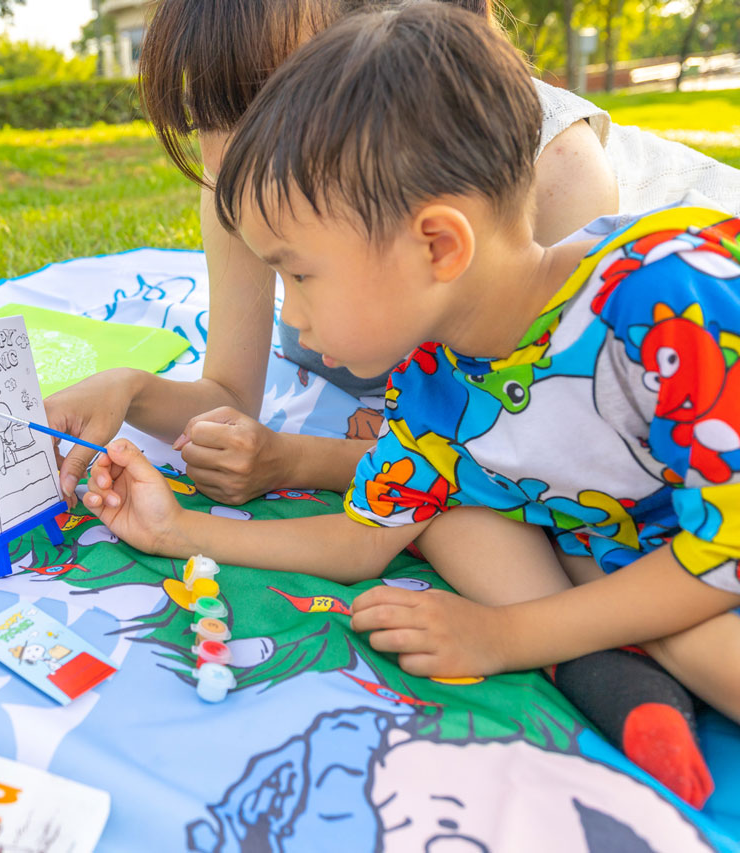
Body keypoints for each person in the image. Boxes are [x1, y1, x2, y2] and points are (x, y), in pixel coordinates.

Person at [80, 2, 739, 808]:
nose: (289, 313)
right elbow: (370, 537)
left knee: (698, 639)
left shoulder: (666, 297)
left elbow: (723, 548)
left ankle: (617, 665)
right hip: (650, 517)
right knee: (507, 519)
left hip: (707, 519)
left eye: (302, 276)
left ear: (436, 245)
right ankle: (617, 667)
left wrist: (508, 635)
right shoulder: (433, 371)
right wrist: (177, 530)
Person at [46, 0, 740, 508]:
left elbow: (518, 462)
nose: (226, 156)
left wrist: (298, 459)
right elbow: (230, 397)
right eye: (207, 115)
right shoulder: (249, 179)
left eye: (263, 101)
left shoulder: (548, 178)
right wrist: (132, 390)